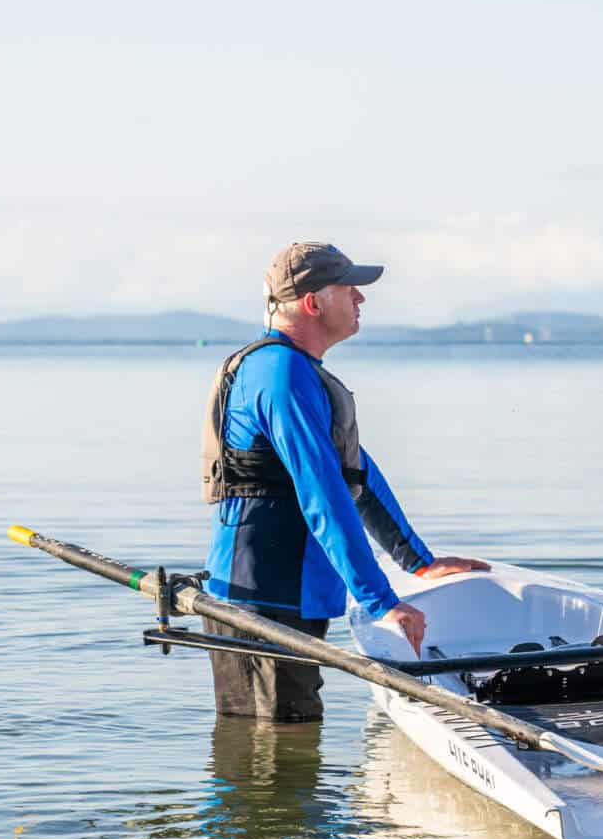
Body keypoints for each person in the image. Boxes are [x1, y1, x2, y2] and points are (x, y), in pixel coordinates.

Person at [200, 241, 488, 721]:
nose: (361, 299)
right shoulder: (279, 375)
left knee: (288, 750)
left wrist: (417, 562)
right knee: (273, 760)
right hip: (263, 607)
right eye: (349, 289)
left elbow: (356, 474)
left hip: (288, 598)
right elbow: (324, 495)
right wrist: (381, 601)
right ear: (313, 303)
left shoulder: (300, 372)